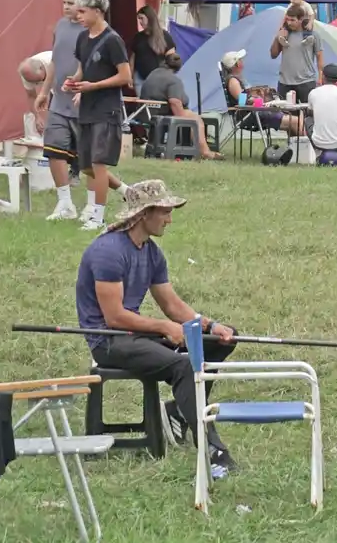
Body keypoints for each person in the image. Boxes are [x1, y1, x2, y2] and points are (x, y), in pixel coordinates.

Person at [75, 180, 242, 479]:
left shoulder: (151, 253)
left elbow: (172, 305)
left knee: (218, 343)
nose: (170, 218)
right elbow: (114, 317)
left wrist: (211, 325)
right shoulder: (108, 252)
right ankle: (213, 448)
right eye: (165, 211)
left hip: (136, 336)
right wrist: (164, 327)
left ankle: (179, 410)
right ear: (143, 214)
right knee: (183, 366)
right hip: (110, 342)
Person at [40, 0, 124, 223]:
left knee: (93, 162)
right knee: (67, 155)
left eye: (75, 6)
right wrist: (58, 87)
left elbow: (117, 74)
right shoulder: (71, 32)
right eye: (65, 3)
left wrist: (88, 88)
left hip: (97, 107)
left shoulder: (105, 37)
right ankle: (66, 203)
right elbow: (65, 66)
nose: (70, 10)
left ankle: (94, 211)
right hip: (71, 102)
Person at [62, 0, 132, 232]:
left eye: (82, 11)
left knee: (99, 163)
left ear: (98, 11)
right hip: (87, 108)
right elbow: (83, 71)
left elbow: (125, 76)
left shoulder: (113, 40)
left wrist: (94, 86)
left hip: (107, 109)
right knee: (87, 165)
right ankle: (127, 192)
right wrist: (74, 82)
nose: (77, 15)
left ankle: (98, 216)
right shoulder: (83, 38)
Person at [139, 51, 221, 160]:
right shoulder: (173, 80)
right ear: (179, 67)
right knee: (195, 120)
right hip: (160, 114)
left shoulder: (152, 74)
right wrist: (182, 118)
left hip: (144, 112)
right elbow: (175, 102)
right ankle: (205, 152)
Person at [219, 50, 303, 137]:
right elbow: (243, 102)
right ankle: (307, 147)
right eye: (240, 60)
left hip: (254, 113)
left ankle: (298, 147)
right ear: (236, 64)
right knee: (296, 121)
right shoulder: (233, 81)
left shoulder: (236, 79)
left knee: (295, 121)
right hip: (251, 115)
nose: (242, 62)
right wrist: (259, 101)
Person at [269, 4, 321, 102]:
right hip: (285, 83)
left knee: (307, 113)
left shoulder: (313, 35)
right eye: (287, 20)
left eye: (292, 20)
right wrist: (277, 38)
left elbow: (319, 58)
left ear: (301, 20)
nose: (289, 23)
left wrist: (320, 79)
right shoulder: (284, 35)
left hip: (306, 82)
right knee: (286, 114)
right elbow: (273, 54)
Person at [130, 5, 176, 95]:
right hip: (140, 78)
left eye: (141, 18)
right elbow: (133, 58)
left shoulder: (165, 36)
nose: (140, 22)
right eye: (138, 19)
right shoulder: (138, 37)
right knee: (143, 104)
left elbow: (172, 60)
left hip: (158, 80)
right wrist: (130, 76)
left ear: (149, 18)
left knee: (154, 105)